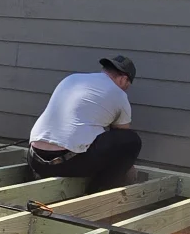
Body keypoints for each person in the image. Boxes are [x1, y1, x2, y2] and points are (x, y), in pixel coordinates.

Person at [27, 55, 142, 192]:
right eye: (127, 86)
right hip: (66, 164)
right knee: (132, 140)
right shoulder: (118, 94)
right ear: (124, 79)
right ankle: (98, 191)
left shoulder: (72, 79)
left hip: (35, 160)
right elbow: (122, 135)